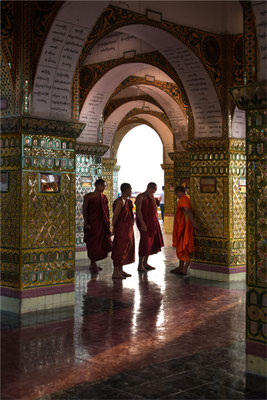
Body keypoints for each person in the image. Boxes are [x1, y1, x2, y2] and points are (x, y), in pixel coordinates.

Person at [83, 178, 112, 273]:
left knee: (100, 244)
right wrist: (86, 222)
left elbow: (106, 212)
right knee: (92, 244)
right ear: (97, 185)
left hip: (101, 224)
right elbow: (84, 210)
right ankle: (93, 263)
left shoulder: (104, 197)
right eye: (103, 185)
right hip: (92, 224)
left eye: (105, 186)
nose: (104, 187)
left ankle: (93, 263)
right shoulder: (88, 196)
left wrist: (108, 223)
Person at [136, 182, 164, 271]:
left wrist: (152, 199)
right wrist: (142, 223)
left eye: (155, 190)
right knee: (144, 242)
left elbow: (155, 210)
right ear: (148, 188)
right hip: (144, 222)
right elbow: (138, 211)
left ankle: (145, 263)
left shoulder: (152, 198)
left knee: (150, 242)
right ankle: (140, 264)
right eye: (153, 189)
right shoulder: (140, 197)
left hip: (152, 222)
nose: (154, 191)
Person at [171, 185, 198, 275]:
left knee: (185, 246)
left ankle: (185, 269)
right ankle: (180, 267)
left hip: (185, 227)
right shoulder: (186, 198)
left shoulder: (184, 199)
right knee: (181, 246)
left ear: (179, 192)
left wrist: (194, 224)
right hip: (181, 226)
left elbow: (188, 212)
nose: (176, 196)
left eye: (176, 193)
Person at [111, 183, 135, 279]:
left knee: (125, 248)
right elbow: (115, 215)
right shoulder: (121, 201)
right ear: (126, 191)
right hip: (121, 228)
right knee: (119, 249)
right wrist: (114, 227)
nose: (131, 191)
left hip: (127, 228)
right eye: (130, 190)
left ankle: (120, 270)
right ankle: (115, 272)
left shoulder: (127, 201)